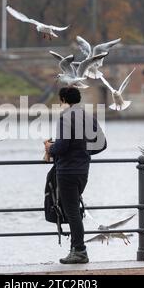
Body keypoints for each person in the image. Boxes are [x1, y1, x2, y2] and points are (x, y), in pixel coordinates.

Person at [44, 87, 107, 264]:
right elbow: (102, 144)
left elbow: (62, 147)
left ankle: (79, 251)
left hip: (67, 171)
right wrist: (83, 153)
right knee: (74, 210)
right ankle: (76, 249)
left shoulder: (65, 117)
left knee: (72, 212)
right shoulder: (89, 117)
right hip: (82, 170)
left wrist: (50, 148)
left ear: (63, 99)